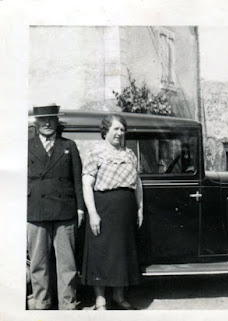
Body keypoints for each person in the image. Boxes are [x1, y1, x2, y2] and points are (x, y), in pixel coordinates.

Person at [81, 114, 143, 310]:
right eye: (115, 129)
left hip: (125, 209)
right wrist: (93, 213)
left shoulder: (130, 154)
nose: (119, 133)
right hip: (103, 208)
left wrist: (140, 208)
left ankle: (118, 296)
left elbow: (137, 183)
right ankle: (100, 299)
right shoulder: (95, 153)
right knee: (101, 252)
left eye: (122, 130)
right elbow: (86, 183)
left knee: (122, 253)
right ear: (105, 131)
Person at [27, 104, 85, 310]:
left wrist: (80, 209)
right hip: (35, 211)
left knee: (67, 265)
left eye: (51, 119)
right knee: (38, 263)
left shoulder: (69, 145)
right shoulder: (26, 146)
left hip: (65, 211)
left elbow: (77, 180)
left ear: (56, 122)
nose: (47, 123)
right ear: (36, 123)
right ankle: (42, 303)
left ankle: (67, 305)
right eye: (43, 120)